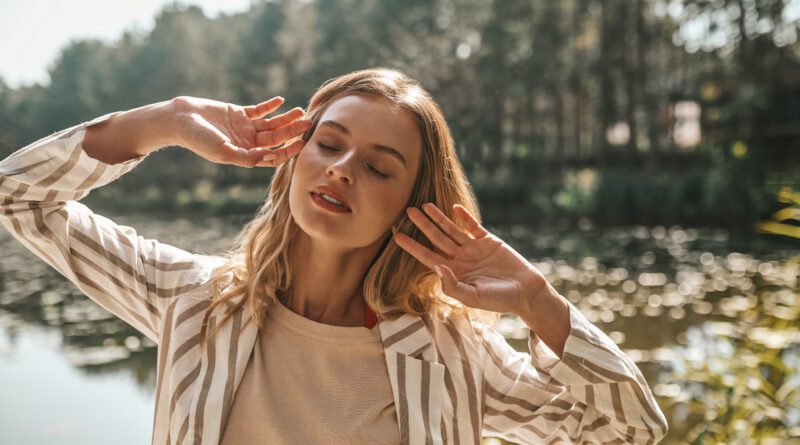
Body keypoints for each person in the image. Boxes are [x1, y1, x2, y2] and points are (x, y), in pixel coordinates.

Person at [0, 68, 667, 444]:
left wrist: (536, 302)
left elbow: (627, 430)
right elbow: (19, 196)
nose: (343, 169)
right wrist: (167, 120)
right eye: (329, 143)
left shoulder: (448, 352)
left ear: (415, 204)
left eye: (380, 166)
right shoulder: (194, 299)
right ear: (292, 157)